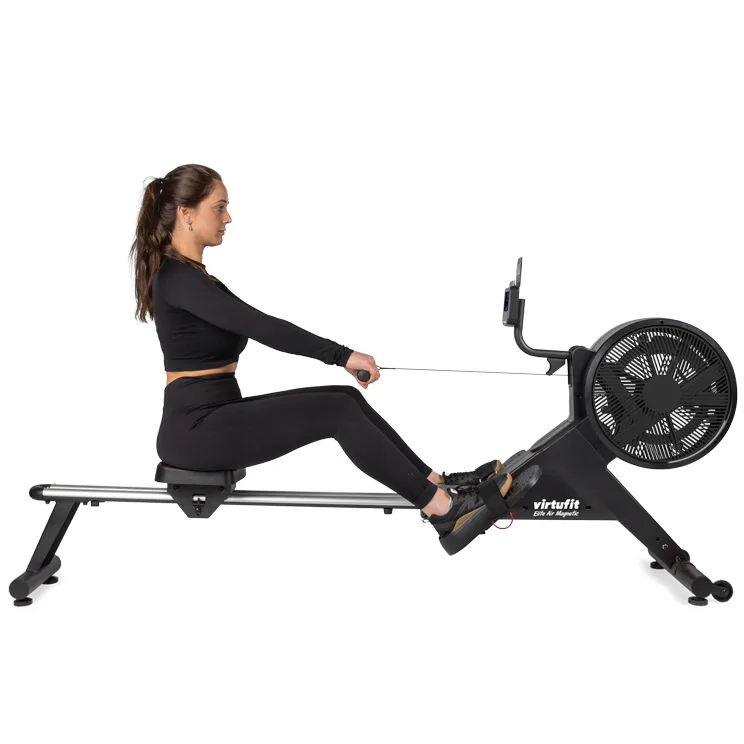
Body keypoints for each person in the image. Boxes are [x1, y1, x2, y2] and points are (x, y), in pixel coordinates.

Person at [129, 163, 513, 551]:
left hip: (213, 416)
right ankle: (443, 510)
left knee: (344, 398)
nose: (228, 218)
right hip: (195, 430)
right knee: (336, 411)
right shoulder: (176, 278)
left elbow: (257, 324)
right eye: (219, 207)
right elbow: (263, 327)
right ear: (186, 213)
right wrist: (342, 355)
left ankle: (435, 484)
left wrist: (340, 358)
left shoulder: (194, 277)